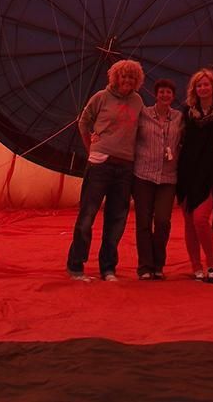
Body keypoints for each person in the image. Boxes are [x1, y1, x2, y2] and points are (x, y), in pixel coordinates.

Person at [67, 59, 144, 282]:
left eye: (132, 77)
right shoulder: (101, 97)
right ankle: (76, 265)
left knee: (117, 219)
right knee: (88, 215)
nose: (127, 80)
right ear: (116, 77)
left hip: (125, 166)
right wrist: (91, 148)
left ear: (137, 80)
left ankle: (108, 267)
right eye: (124, 76)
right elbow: (83, 122)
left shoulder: (138, 101)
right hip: (100, 164)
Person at [176, 68, 213, 284]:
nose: (203, 88)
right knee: (189, 221)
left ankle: (212, 265)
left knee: (200, 219)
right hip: (187, 173)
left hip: (209, 175)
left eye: (206, 84)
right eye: (199, 85)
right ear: (194, 89)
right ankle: (196, 267)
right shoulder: (186, 112)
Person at [132, 79, 183, 280]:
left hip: (168, 178)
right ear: (155, 94)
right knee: (143, 222)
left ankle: (158, 263)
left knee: (162, 221)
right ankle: (145, 266)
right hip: (143, 175)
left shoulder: (179, 117)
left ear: (173, 96)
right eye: (161, 92)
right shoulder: (143, 114)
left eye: (168, 92)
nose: (164, 95)